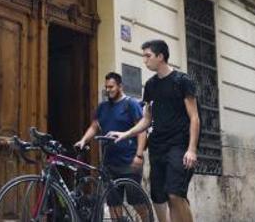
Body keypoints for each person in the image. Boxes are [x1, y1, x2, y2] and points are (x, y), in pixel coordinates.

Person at [107, 40, 201, 222]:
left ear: (161, 56)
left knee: (175, 194)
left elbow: (194, 117)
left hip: (179, 145)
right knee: (158, 197)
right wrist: (125, 134)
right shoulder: (150, 86)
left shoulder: (182, 81)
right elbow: (147, 119)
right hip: (158, 145)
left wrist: (192, 149)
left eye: (148, 56)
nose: (144, 60)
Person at [74, 72, 147, 215]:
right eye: (106, 87)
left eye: (111, 87)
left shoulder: (130, 104)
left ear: (120, 86)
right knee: (114, 204)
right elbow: (94, 127)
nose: (108, 90)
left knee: (136, 202)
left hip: (129, 162)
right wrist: (83, 140)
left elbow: (142, 131)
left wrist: (139, 155)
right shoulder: (102, 107)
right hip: (109, 163)